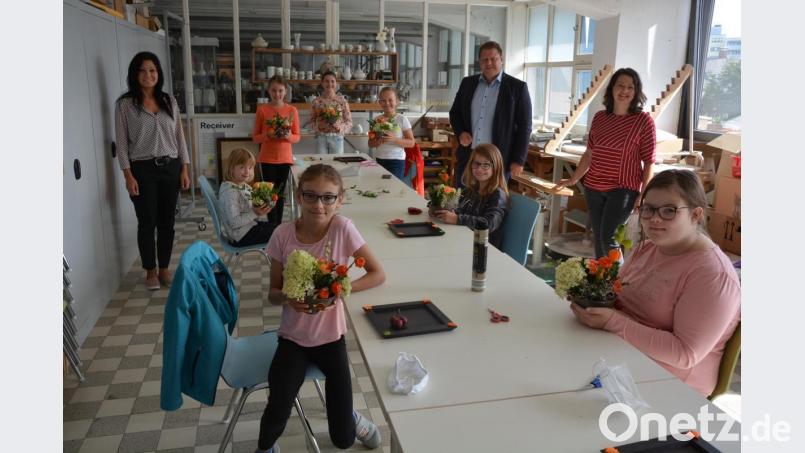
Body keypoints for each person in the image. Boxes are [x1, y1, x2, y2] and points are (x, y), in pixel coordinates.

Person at [569, 170, 740, 397]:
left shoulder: (712, 275)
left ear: (696, 215)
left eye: (669, 211)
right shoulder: (647, 248)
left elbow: (686, 354)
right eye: (648, 209)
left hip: (671, 387)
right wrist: (587, 294)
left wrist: (612, 322)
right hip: (622, 357)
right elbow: (618, 298)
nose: (654, 219)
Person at [257, 164, 386, 453]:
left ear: (340, 200)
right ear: (299, 196)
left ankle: (351, 418)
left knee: (343, 440)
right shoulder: (282, 235)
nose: (319, 204)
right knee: (277, 408)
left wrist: (341, 291)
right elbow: (273, 294)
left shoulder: (343, 228)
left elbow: (377, 273)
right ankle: (265, 448)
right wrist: (288, 299)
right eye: (311, 196)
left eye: (328, 197)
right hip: (293, 339)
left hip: (331, 340)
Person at [553, 67, 656, 258]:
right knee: (599, 236)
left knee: (609, 237)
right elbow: (590, 153)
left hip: (623, 188)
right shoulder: (600, 117)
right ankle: (602, 283)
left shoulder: (643, 121)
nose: (624, 91)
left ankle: (616, 282)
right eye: (620, 86)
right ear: (611, 89)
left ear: (636, 92)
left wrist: (643, 195)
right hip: (593, 187)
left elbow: (649, 162)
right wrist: (573, 179)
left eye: (630, 87)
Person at [115, 51, 190, 291]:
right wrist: (128, 175)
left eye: (153, 70)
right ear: (135, 74)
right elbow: (122, 143)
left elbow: (180, 137)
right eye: (143, 70)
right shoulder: (125, 105)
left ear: (159, 74)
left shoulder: (169, 101)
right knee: (147, 222)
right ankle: (150, 270)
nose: (148, 75)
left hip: (170, 167)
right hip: (142, 170)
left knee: (167, 222)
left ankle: (165, 268)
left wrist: (185, 169)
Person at [449, 41, 532, 186]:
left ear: (501, 59)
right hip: (469, 156)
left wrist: (518, 159)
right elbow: (455, 112)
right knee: (461, 200)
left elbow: (525, 127)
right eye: (484, 60)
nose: (489, 63)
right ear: (479, 62)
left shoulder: (517, 88)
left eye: (493, 59)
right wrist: (461, 132)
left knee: (493, 203)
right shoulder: (467, 83)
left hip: (498, 160)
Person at [431, 144, 509, 249]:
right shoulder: (471, 189)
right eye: (476, 164)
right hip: (464, 240)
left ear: (496, 167)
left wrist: (457, 219)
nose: (480, 169)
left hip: (483, 249)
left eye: (486, 165)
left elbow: (488, 223)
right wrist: (437, 208)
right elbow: (456, 207)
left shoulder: (498, 195)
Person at [252, 75, 301, 225]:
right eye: (274, 90)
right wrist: (267, 135)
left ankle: (277, 226)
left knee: (279, 195)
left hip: (285, 159)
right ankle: (272, 227)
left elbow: (297, 136)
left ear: (286, 91)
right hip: (266, 159)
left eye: (280, 90)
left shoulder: (292, 110)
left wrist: (288, 136)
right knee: (268, 196)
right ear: (268, 91)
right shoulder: (262, 110)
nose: (277, 94)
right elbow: (255, 137)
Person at [217, 148, 278, 246]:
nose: (247, 171)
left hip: (249, 228)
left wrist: (266, 203)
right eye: (242, 167)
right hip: (240, 236)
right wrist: (255, 212)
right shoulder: (230, 192)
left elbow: (250, 207)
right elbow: (234, 222)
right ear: (231, 168)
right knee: (281, 234)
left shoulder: (243, 185)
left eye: (250, 168)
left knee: (280, 229)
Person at [367, 86, 415, 179]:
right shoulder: (376, 120)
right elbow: (370, 143)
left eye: (390, 100)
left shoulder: (402, 119)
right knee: (380, 188)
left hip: (396, 162)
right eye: (383, 100)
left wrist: (395, 140)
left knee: (394, 190)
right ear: (379, 102)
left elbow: (411, 143)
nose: (387, 103)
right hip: (379, 160)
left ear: (396, 101)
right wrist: (376, 142)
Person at [310, 71, 353, 154]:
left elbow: (349, 122)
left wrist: (340, 127)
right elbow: (311, 121)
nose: (329, 84)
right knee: (321, 163)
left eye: (332, 81)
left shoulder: (342, 101)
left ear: (336, 83)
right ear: (322, 83)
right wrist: (318, 126)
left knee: (337, 164)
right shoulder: (316, 102)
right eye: (326, 81)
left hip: (337, 138)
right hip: (321, 137)